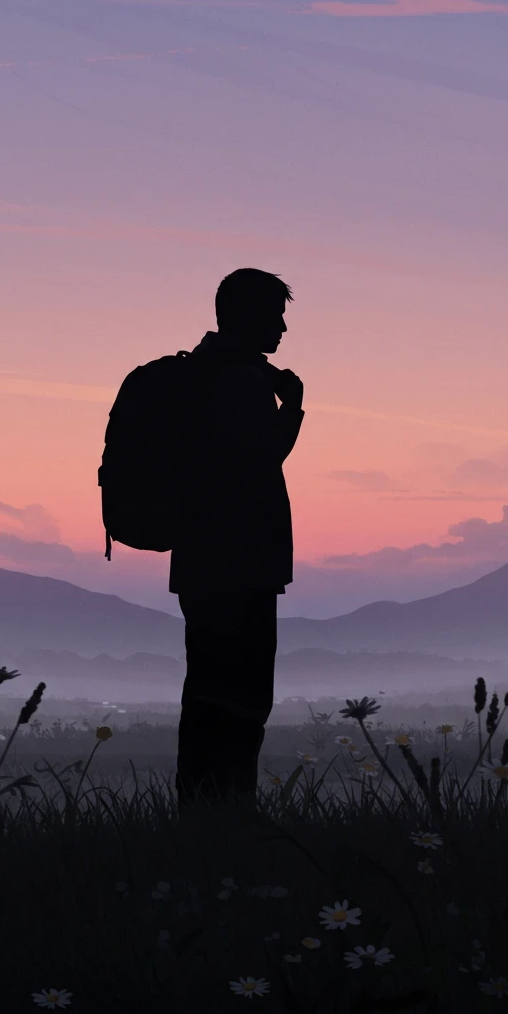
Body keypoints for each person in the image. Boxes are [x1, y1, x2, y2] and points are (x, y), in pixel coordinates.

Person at [171, 267, 305, 821]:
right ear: (249, 316)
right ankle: (228, 818)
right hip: (240, 565)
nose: (283, 328)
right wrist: (293, 406)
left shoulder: (201, 373)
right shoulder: (241, 381)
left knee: (206, 696)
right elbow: (256, 462)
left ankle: (202, 816)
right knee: (242, 701)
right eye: (276, 315)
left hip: (204, 562)